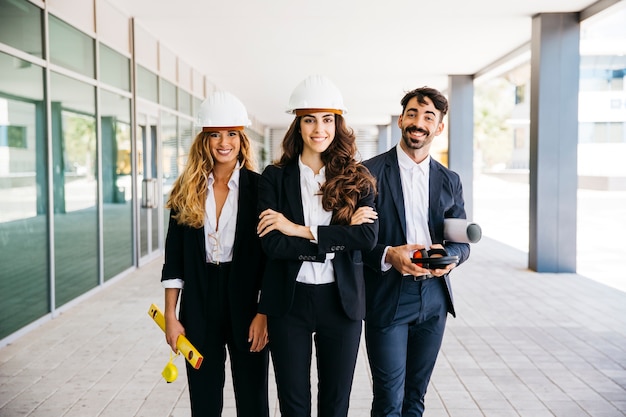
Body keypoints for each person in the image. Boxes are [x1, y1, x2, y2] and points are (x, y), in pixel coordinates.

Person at [256, 75, 379, 417]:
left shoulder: (358, 178)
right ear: (298, 124)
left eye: (327, 119)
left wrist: (298, 229)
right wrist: (336, 237)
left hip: (341, 303)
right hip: (289, 301)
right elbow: (272, 244)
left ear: (338, 124)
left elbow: (366, 239)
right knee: (293, 404)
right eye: (309, 119)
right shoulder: (274, 178)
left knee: (335, 405)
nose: (318, 129)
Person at [362, 86, 471, 417]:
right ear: (400, 120)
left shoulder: (449, 179)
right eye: (412, 114)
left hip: (434, 298)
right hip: (388, 296)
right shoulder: (368, 173)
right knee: (389, 398)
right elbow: (354, 241)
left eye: (428, 117)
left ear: (438, 127)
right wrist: (389, 254)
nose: (418, 122)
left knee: (415, 398)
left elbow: (461, 239)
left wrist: (450, 258)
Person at [161, 91, 269, 417]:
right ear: (203, 140)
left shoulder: (261, 188)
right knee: (204, 402)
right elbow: (174, 258)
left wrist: (264, 314)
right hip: (199, 302)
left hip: (247, 301)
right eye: (215, 135)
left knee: (253, 401)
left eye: (232, 134)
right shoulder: (187, 189)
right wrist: (170, 314)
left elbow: (270, 259)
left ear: (242, 138)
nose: (224, 142)